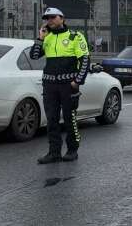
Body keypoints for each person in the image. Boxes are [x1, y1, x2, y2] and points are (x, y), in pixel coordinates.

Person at [32, 8, 91, 164]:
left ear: (62, 18)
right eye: (47, 18)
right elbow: (34, 55)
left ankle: (72, 150)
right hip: (50, 85)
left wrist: (78, 81)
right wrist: (40, 38)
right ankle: (54, 152)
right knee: (51, 120)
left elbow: (85, 60)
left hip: (68, 85)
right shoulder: (47, 37)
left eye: (53, 17)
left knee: (69, 118)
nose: (49, 20)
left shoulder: (75, 36)